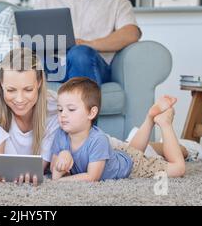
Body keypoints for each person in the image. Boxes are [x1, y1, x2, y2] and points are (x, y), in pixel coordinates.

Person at [35, 0, 141, 85]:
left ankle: (84, 105)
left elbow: (131, 33)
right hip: (56, 67)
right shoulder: (48, 1)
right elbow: (32, 39)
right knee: (28, 62)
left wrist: (88, 44)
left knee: (80, 53)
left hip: (93, 64)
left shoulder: (117, 1)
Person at [51, 77, 185, 181]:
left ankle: (165, 123)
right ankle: (150, 118)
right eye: (60, 109)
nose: (63, 114)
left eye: (71, 109)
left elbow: (92, 177)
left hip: (132, 167)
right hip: (117, 154)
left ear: (91, 113)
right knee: (134, 151)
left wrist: (59, 182)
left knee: (178, 169)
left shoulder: (98, 139)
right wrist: (62, 157)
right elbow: (54, 172)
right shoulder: (60, 134)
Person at [0, 47, 60, 185]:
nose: (20, 99)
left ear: (39, 83)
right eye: (11, 90)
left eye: (28, 89)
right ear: (1, 84)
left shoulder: (56, 110)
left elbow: (38, 168)